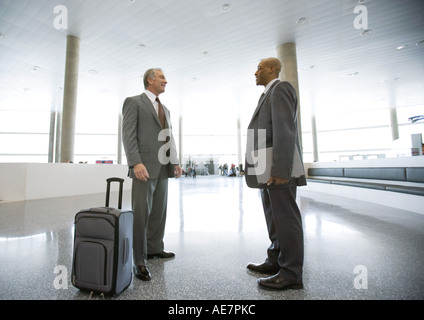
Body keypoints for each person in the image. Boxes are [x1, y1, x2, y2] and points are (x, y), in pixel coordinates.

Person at [244, 57, 306, 290]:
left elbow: (285, 130)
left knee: (285, 218)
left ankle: (291, 273)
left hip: (277, 168)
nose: (255, 72)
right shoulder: (267, 94)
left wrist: (281, 170)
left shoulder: (281, 88)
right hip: (265, 167)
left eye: (259, 67)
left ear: (271, 69)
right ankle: (276, 260)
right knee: (273, 216)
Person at [122, 68, 182, 281]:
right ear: (149, 79)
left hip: (163, 167)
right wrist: (135, 162)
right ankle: (139, 260)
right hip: (143, 168)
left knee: (159, 212)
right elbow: (128, 135)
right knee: (141, 215)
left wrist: (174, 161)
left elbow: (169, 137)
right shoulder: (133, 102)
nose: (166, 80)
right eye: (162, 77)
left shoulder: (165, 108)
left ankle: (155, 248)